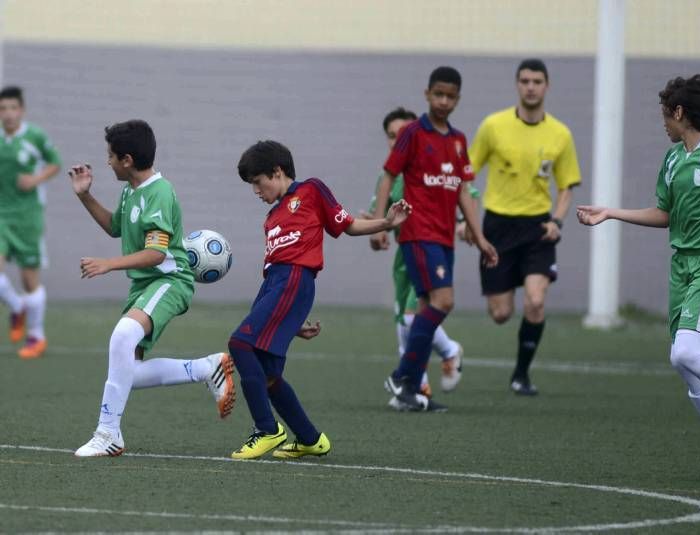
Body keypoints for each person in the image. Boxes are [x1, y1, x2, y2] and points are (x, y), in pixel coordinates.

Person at [577, 74, 700, 482]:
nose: (663, 123)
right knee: (681, 360)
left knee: (686, 353)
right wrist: (611, 212)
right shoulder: (672, 160)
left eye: (665, 114)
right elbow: (664, 215)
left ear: (679, 113)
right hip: (681, 265)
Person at [229, 140, 411, 459]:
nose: (256, 191)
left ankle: (267, 430)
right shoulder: (271, 218)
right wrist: (291, 322)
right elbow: (272, 274)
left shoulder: (312, 190)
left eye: (258, 182)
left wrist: (385, 223)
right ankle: (311, 439)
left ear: (277, 171)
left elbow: (348, 225)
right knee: (269, 374)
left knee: (240, 344)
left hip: (295, 279)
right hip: (277, 287)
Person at [69, 119, 236, 457]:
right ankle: (206, 368)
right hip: (145, 285)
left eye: (111, 156)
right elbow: (116, 228)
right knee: (125, 370)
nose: (108, 162)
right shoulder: (131, 189)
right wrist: (86, 196)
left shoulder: (159, 192)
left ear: (127, 160)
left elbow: (157, 253)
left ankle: (108, 433)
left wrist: (108, 264)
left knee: (121, 337)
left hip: (168, 281)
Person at [371, 66, 498, 412]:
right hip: (418, 233)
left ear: (458, 99)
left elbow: (461, 192)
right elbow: (387, 177)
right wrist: (383, 224)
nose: (443, 101)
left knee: (426, 309)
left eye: (450, 96)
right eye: (438, 94)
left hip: (444, 238)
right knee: (444, 301)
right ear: (427, 94)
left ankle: (409, 390)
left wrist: (480, 236)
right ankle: (403, 376)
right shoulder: (412, 133)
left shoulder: (457, 141)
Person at [468, 58, 581, 396]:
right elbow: (466, 176)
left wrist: (557, 221)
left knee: (535, 301)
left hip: (537, 228)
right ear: (517, 85)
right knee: (501, 313)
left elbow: (566, 186)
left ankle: (521, 374)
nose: (531, 87)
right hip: (497, 228)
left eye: (537, 81)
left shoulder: (560, 134)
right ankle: (505, 296)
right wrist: (466, 220)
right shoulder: (493, 126)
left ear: (546, 86)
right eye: (525, 81)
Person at [0, 86, 61, 359]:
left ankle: (36, 335)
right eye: (3, 109)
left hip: (28, 217)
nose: (8, 114)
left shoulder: (34, 136)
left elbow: (55, 163)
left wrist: (35, 180)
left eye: (13, 108)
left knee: (29, 279)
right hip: (2, 215)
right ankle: (16, 306)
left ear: (21, 110)